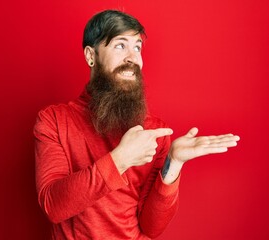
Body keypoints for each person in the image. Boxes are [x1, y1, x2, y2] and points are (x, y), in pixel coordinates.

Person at [34, 10, 240, 240]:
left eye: (138, 47)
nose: (133, 58)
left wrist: (174, 163)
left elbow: (152, 227)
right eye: (120, 46)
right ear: (91, 56)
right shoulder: (53, 120)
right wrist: (120, 159)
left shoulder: (154, 132)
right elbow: (53, 206)